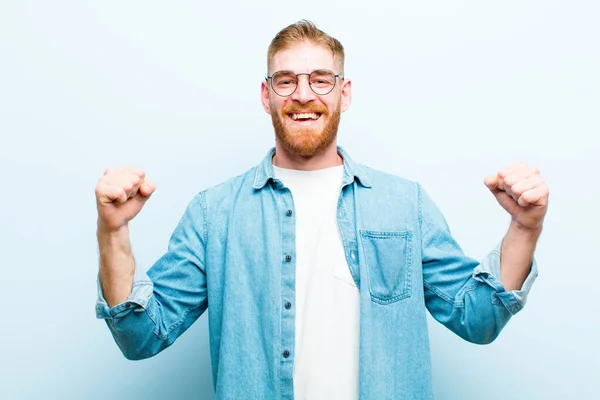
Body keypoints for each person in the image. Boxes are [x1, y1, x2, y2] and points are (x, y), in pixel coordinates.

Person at [95, 20, 548, 400]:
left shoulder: (404, 204)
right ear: (266, 94)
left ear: (344, 93)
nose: (303, 94)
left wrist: (524, 228)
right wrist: (112, 232)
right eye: (286, 80)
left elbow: (479, 318)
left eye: (321, 79)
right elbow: (141, 337)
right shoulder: (216, 214)